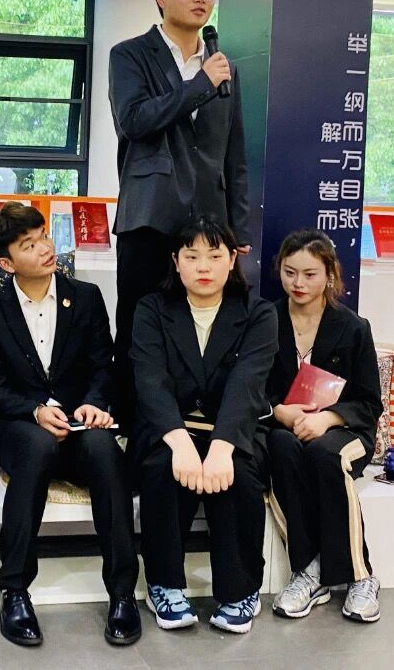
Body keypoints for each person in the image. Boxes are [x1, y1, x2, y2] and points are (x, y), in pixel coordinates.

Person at [0, 203, 140, 648]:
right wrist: (34, 410)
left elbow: (103, 366)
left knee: (105, 451)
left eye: (44, 236)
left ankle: (123, 592)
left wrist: (93, 405)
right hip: (20, 426)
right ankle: (13, 589)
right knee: (37, 448)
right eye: (29, 245)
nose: (45, 248)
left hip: (79, 421)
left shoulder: (85, 296)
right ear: (6, 264)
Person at [108, 0, 250, 425]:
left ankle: (192, 423)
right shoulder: (130, 55)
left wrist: (237, 225)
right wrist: (199, 86)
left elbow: (234, 153)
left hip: (208, 223)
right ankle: (132, 425)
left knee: (199, 329)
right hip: (149, 215)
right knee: (139, 324)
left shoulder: (223, 67)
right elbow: (134, 120)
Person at [130, 218, 274, 635]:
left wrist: (222, 447)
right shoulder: (152, 309)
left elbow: (248, 384)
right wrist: (180, 444)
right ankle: (164, 585)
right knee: (163, 470)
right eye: (191, 256)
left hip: (233, 427)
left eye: (214, 255)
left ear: (231, 260)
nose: (203, 266)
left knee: (238, 476)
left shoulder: (258, 313)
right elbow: (150, 381)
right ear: (176, 262)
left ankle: (240, 591)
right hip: (168, 427)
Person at [255, 230, 383, 624]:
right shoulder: (264, 320)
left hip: (345, 431)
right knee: (280, 449)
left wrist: (328, 418)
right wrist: (281, 413)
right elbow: (250, 389)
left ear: (329, 275)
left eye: (310, 274)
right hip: (284, 427)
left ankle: (361, 576)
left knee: (326, 455)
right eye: (290, 272)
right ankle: (307, 571)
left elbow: (369, 402)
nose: (298, 283)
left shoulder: (353, 327)